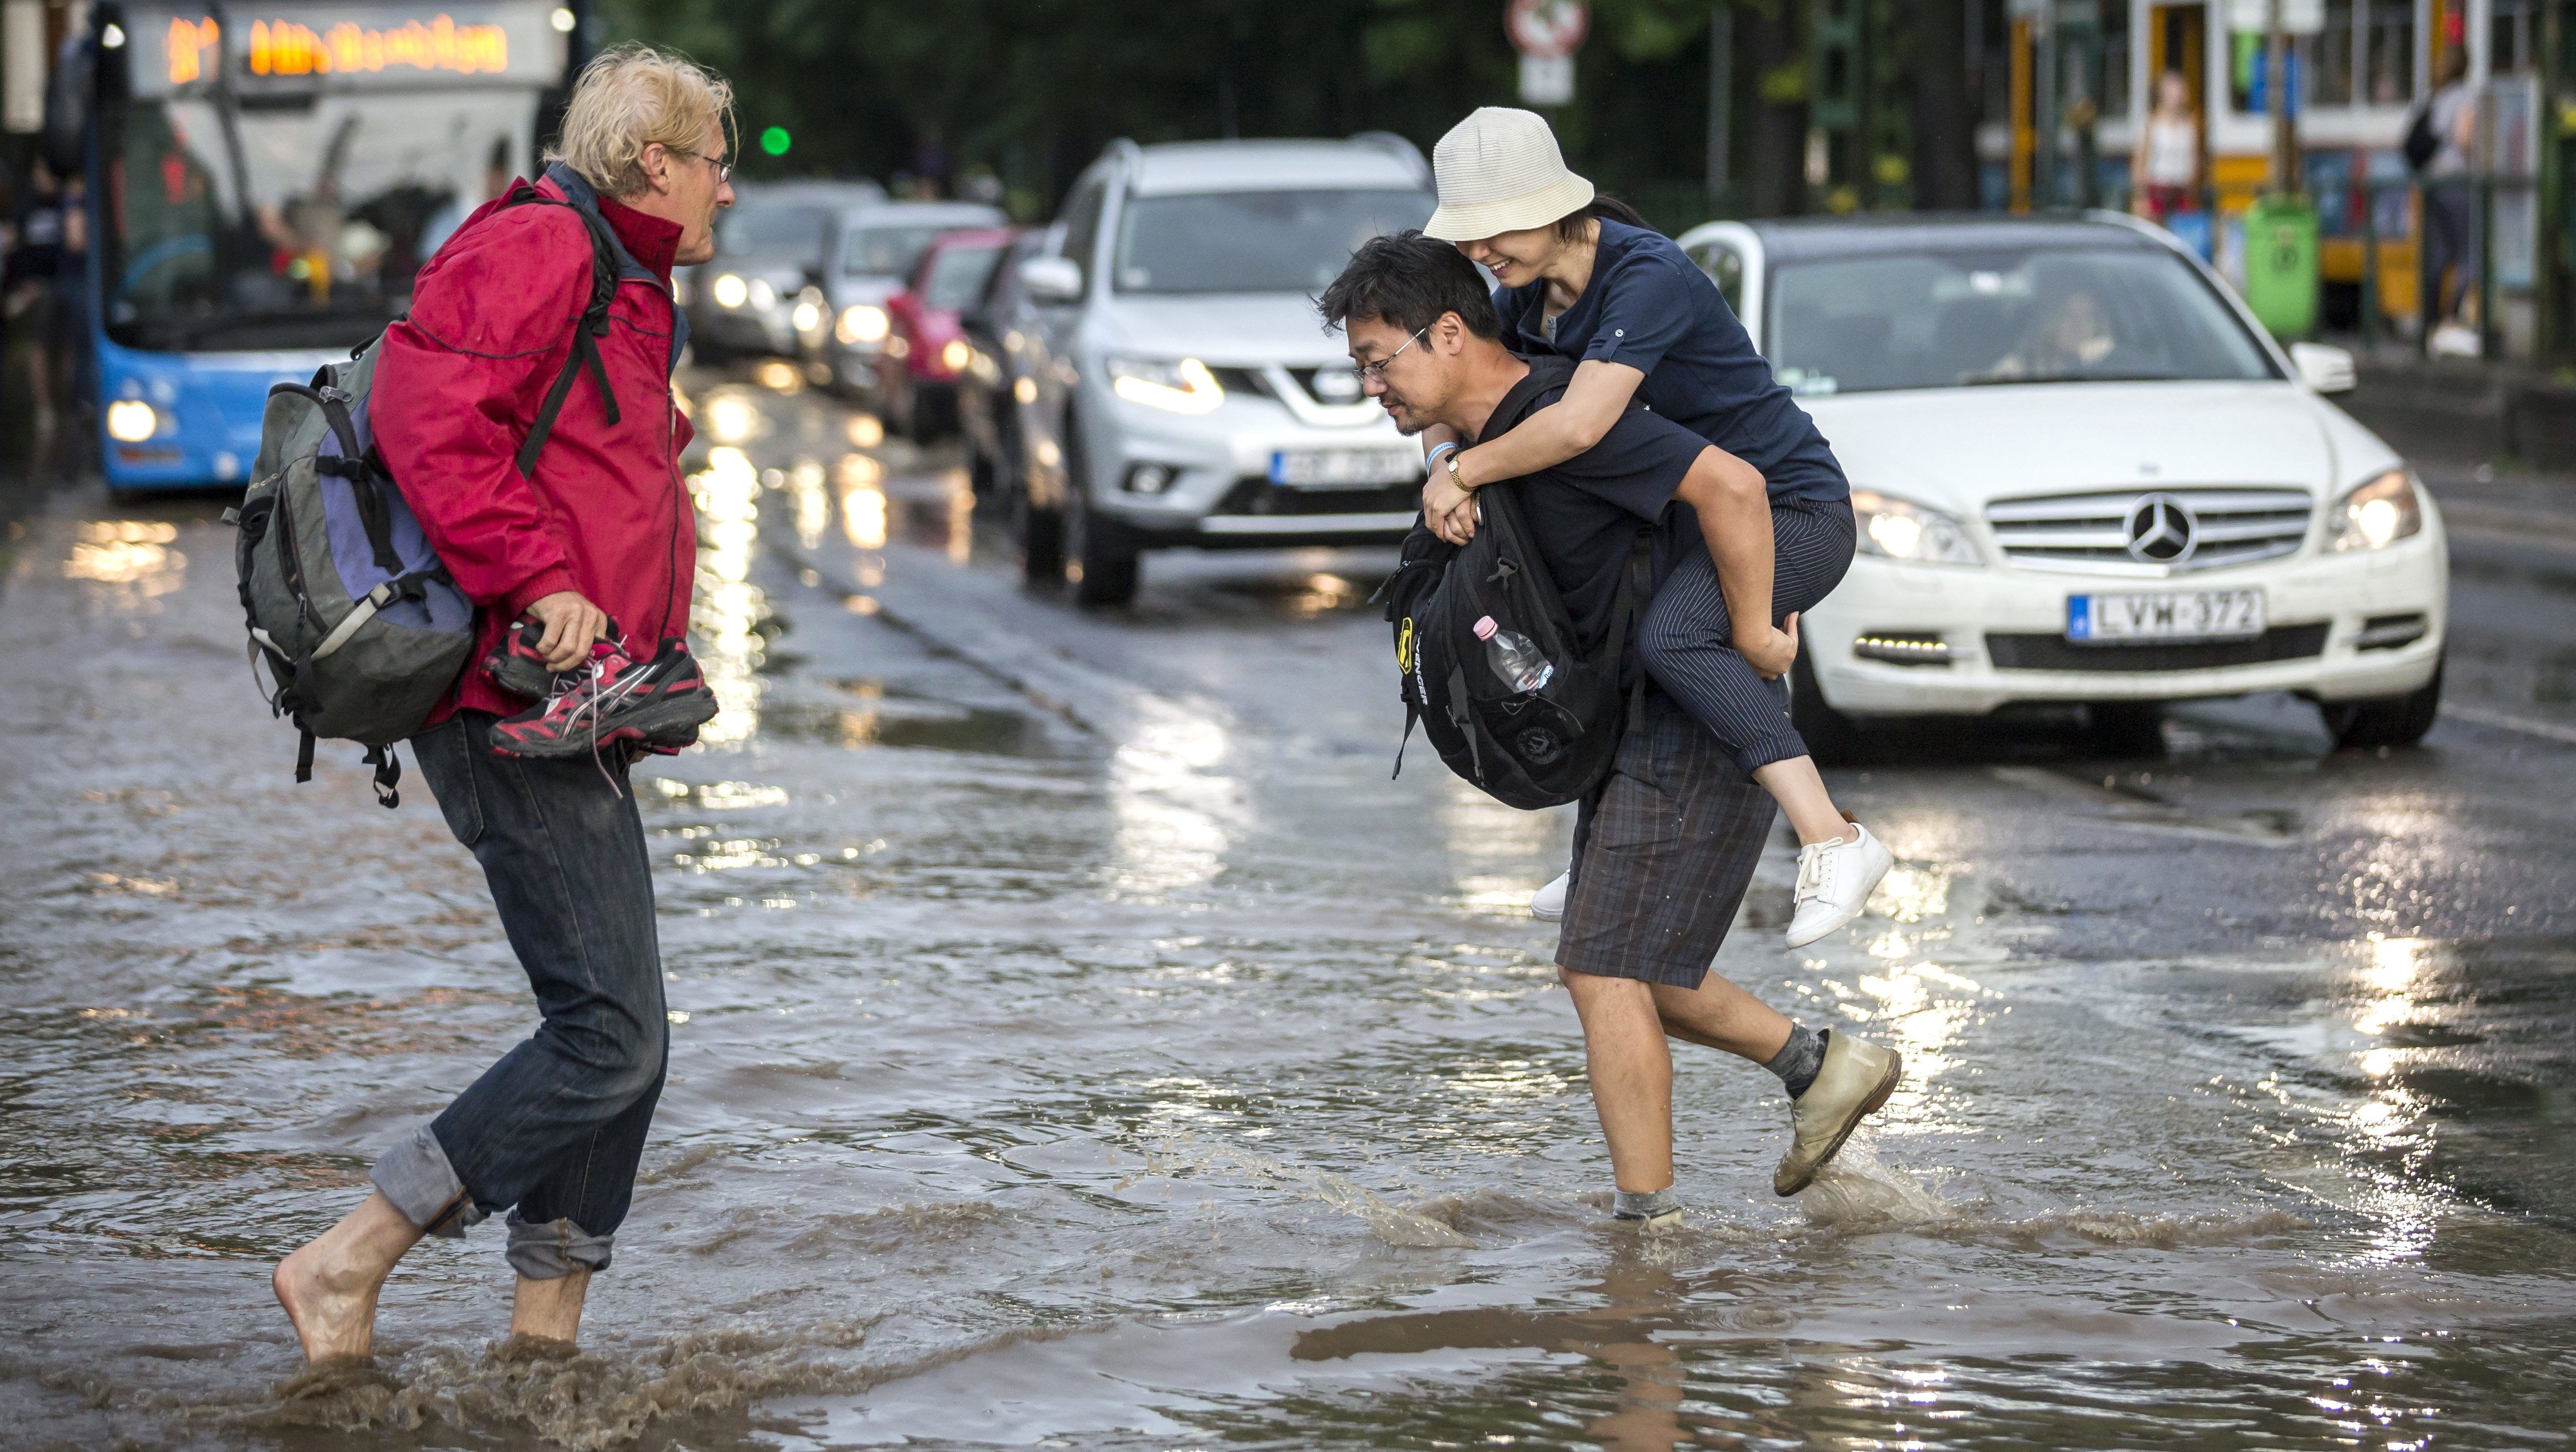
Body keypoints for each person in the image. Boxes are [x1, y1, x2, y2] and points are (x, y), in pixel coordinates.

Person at [270, 42, 734, 1364]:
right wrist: (539, 575)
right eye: (718, 160)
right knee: (610, 1036)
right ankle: (349, 1257)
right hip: (500, 693)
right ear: (657, 160)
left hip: (580, 702)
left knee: (621, 1034)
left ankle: (544, 1342)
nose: (729, 188)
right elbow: (426, 410)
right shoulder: (542, 247)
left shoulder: (624, 276)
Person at [1322, 232, 1903, 1224]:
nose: (1372, 384)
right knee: (1620, 957)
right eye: (1360, 366)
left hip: (1696, 715)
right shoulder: (1490, 429)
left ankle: (1647, 1237)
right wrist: (1448, 468)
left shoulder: (1565, 419)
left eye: (1382, 362)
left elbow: (1733, 486)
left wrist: (1760, 624)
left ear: (1451, 335)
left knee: (1602, 966)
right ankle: (1822, 1066)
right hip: (1632, 714)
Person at [1413, 107, 1887, 950]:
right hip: (1693, 522)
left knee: (1672, 636)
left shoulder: (1647, 274)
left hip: (1789, 510)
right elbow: (1462, 386)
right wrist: (1442, 455)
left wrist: (1465, 471)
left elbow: (1578, 425)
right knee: (1611, 638)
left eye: (1493, 230)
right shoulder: (1524, 301)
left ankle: (1834, 839)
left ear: (1553, 206)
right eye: (1468, 235)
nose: (1481, 251)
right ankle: (1594, 855)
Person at [2415, 49, 2481, 357]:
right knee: (2468, 251)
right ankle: (2450, 320)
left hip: (2433, 183)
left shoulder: (2435, 97)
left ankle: (2428, 327)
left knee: (2437, 255)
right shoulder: (2464, 98)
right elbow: (2465, 138)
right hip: (2457, 182)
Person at [2131, 71, 2200, 223]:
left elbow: (2193, 160)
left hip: (2182, 193)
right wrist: (2140, 198)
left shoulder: (2189, 125)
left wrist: (2192, 191)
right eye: (2173, 91)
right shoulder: (2150, 124)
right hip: (2156, 192)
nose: (2177, 96)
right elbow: (2139, 163)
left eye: (2180, 91)